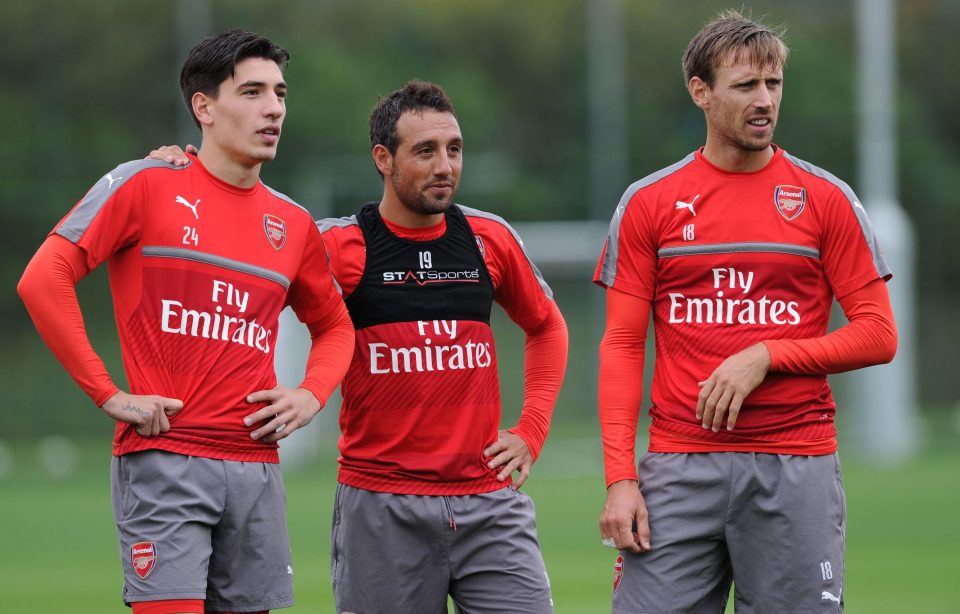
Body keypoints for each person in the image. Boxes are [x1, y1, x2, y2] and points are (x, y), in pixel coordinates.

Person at [17, 29, 354, 614]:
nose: (273, 107)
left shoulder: (292, 223)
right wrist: (106, 393)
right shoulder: (145, 183)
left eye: (279, 92)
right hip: (165, 457)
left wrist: (310, 395)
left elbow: (336, 327)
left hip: (256, 469)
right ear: (203, 107)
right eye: (251, 92)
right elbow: (44, 278)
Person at [594, 10, 897, 613]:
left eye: (773, 84)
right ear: (700, 92)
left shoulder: (826, 199)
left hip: (796, 464)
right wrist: (620, 478)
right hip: (679, 468)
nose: (764, 101)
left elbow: (879, 334)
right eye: (746, 86)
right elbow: (623, 346)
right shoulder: (649, 203)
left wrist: (767, 355)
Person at [317, 80, 567, 614]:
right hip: (383, 505)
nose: (445, 166)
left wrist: (532, 430)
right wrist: (193, 172)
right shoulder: (340, 246)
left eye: (454, 149)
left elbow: (547, 327)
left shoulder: (488, 239)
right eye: (425, 151)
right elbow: (248, 250)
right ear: (383, 158)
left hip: (489, 503)